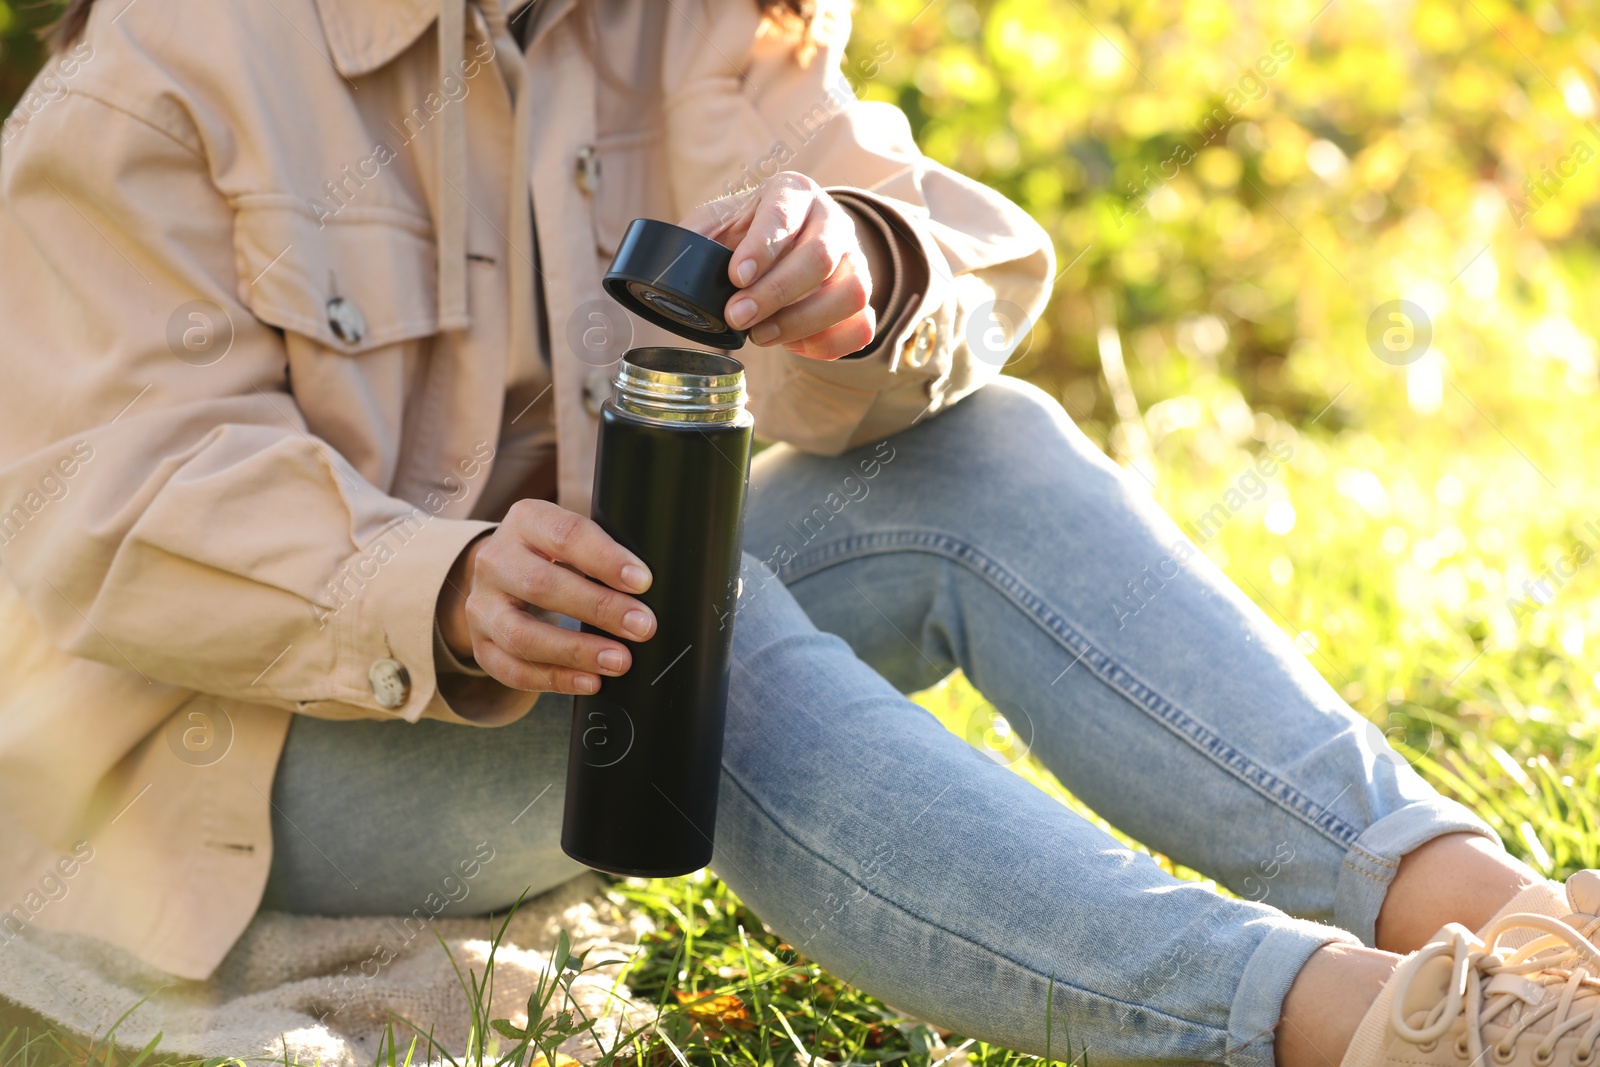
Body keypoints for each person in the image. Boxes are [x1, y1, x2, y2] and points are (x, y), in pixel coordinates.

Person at [0, 1, 1595, 1065]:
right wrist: (442, 585)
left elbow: (924, 287)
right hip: (228, 784)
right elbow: (90, 492)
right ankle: (1371, 1027)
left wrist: (867, 275)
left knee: (986, 452)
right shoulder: (165, 60)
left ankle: (1500, 927)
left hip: (571, 678)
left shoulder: (688, 21)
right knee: (685, 625)